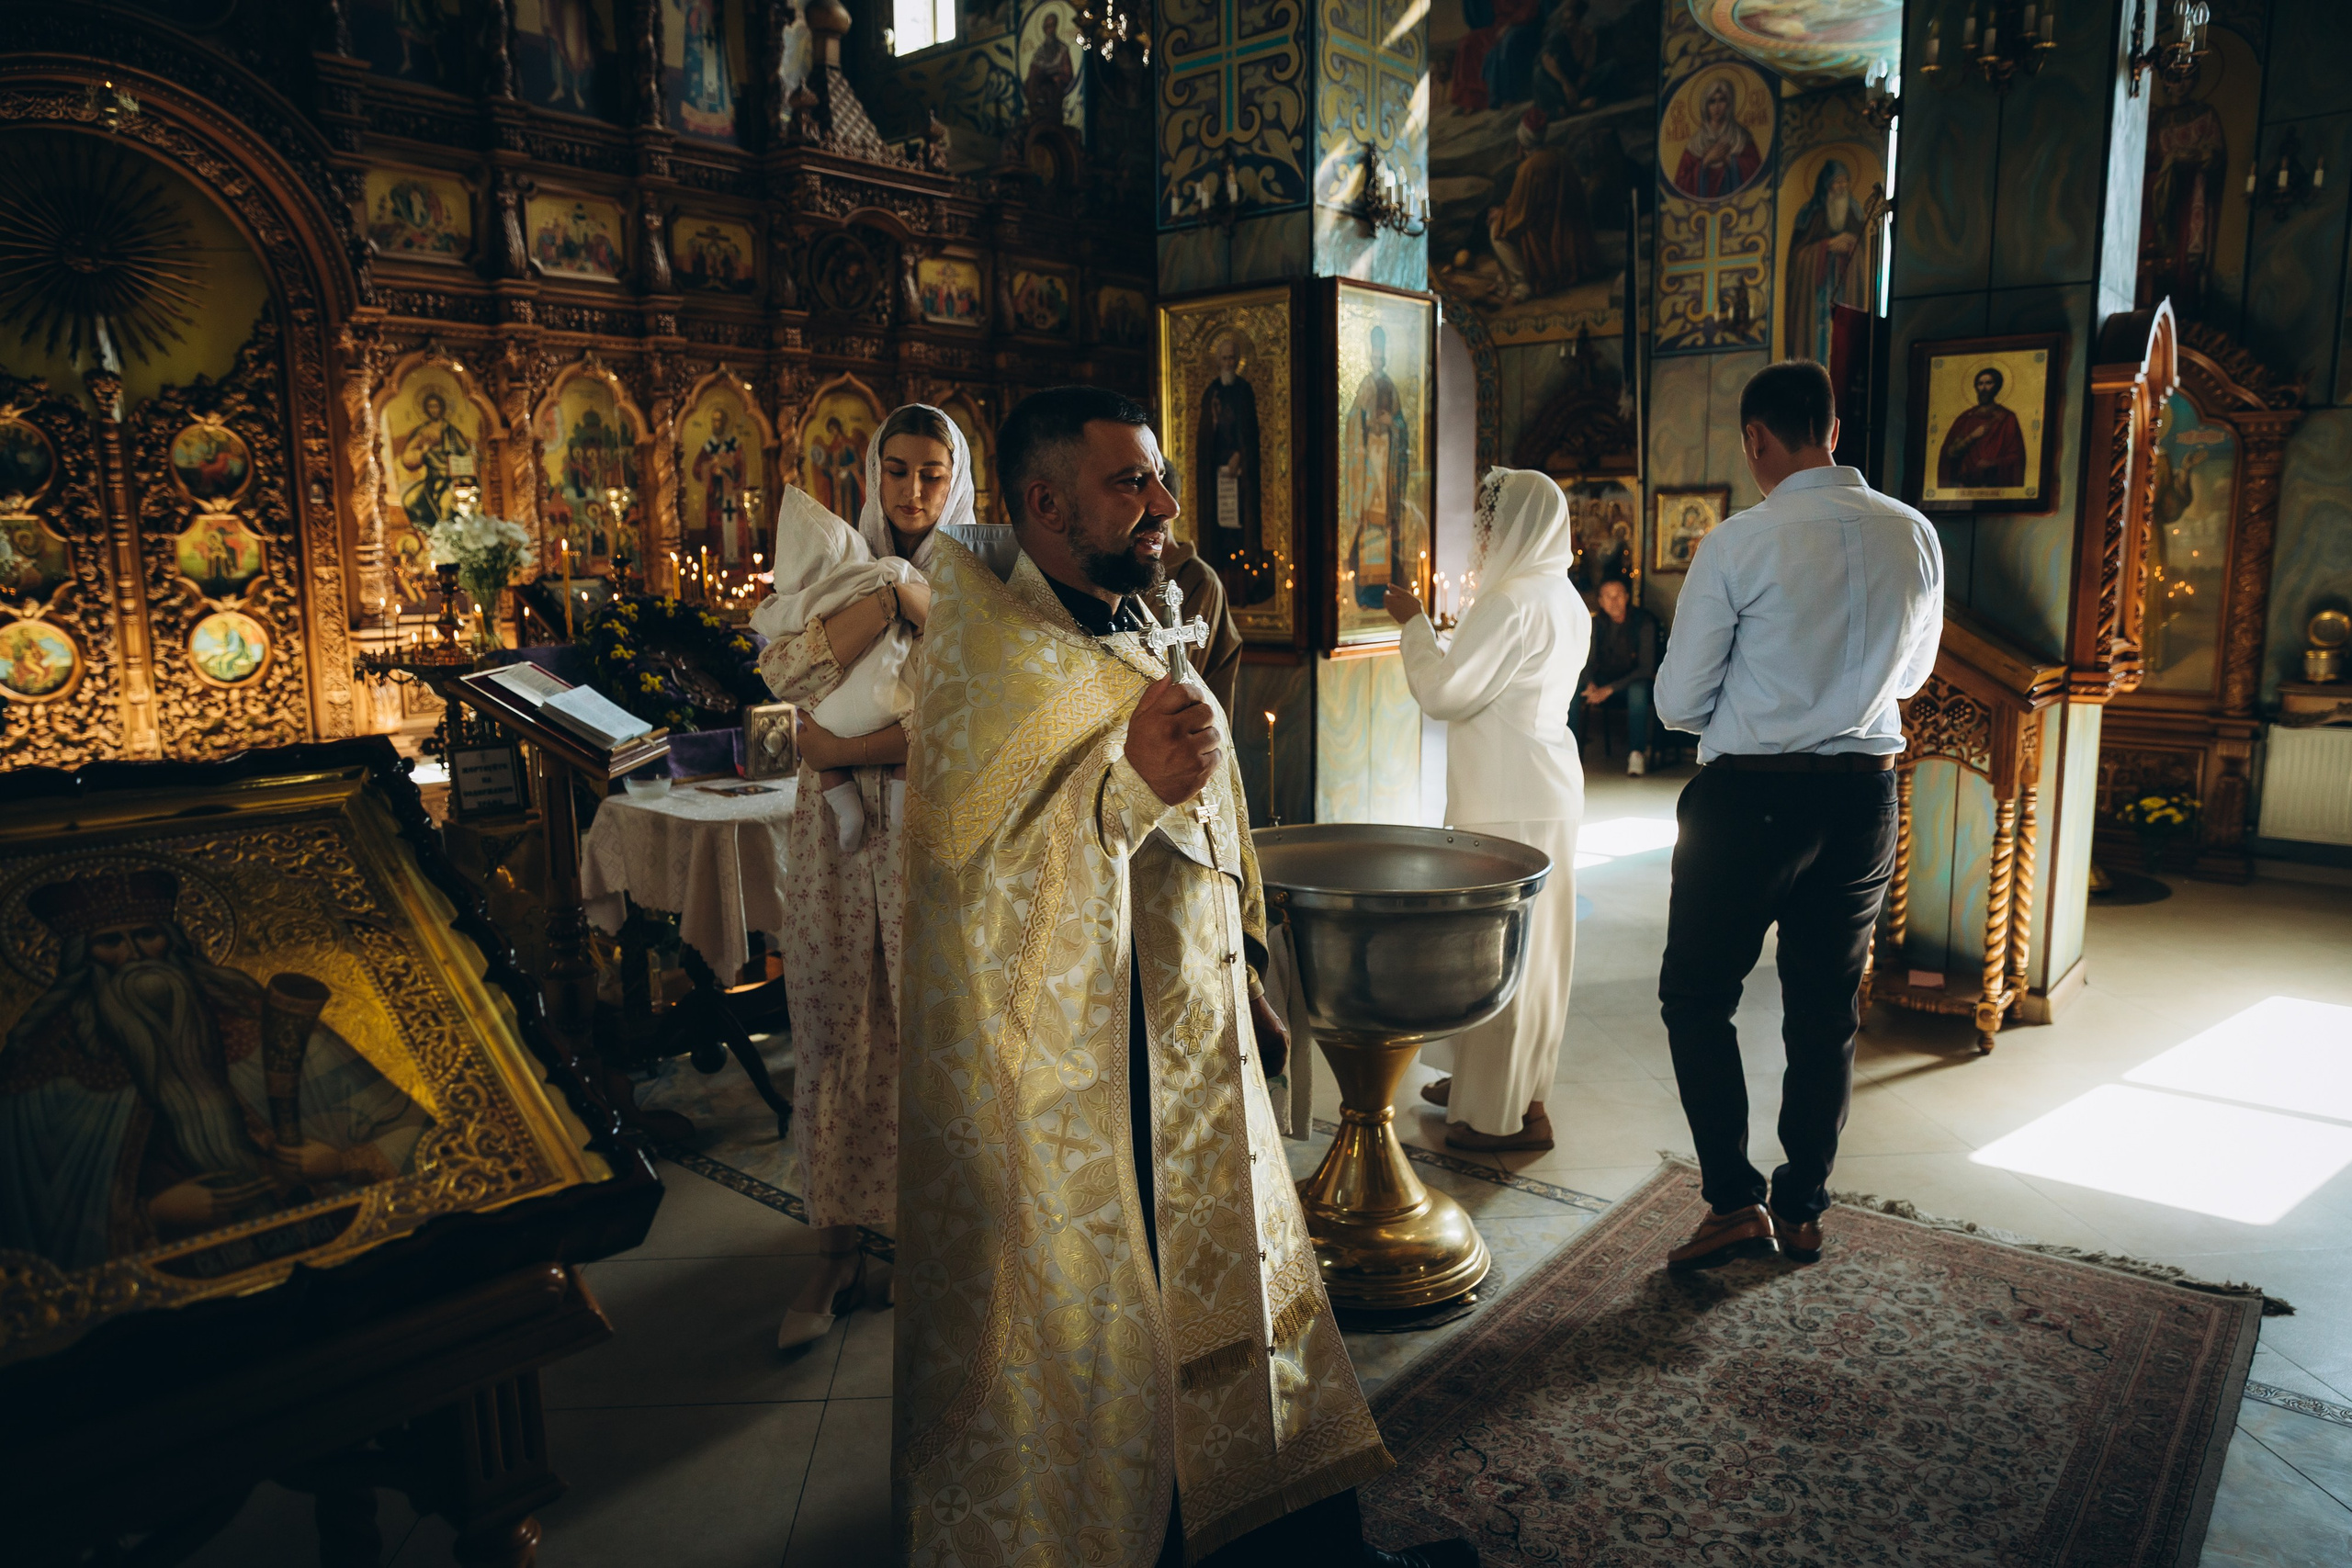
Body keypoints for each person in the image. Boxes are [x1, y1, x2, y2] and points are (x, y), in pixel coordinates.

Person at [897, 386, 1474, 1568]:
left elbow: (1217, 818)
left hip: (1192, 1031)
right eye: (1131, 484)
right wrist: (1127, 792)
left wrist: (1244, 968)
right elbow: (977, 877)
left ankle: (1285, 1537)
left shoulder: (1139, 615)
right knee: (1124, 1314)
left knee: (1245, 1296)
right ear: (1045, 502)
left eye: (1158, 477)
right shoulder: (982, 658)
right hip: (1082, 1074)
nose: (1165, 503)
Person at [1652, 360, 1942, 1272]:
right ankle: (1803, 1209)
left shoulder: (1739, 543)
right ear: (1833, 430)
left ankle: (1734, 1203)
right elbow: (1912, 677)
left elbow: (1675, 701)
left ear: (1754, 439)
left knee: (1697, 997)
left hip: (1750, 798)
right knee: (1825, 1007)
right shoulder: (1913, 533)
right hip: (1863, 795)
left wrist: (1760, 703)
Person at [754, 403, 967, 1351]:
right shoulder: (830, 571)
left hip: (935, 833)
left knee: (935, 1037)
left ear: (957, 479)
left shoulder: (983, 578)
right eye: (896, 471)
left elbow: (971, 716)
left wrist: (845, 744)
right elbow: (784, 681)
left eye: (931, 473)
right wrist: (883, 600)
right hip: (836, 850)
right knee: (836, 1027)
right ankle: (832, 1251)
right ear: (871, 476)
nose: (913, 492)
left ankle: (936, 1248)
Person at [0, 868, 432, 1269]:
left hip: (334, 1247)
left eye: (146, 935)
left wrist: (341, 1162)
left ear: (171, 940)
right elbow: (29, 1222)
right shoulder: (47, 1067)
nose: (133, 955)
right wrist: (148, 1214)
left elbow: (419, 1134)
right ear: (82, 958)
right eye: (110, 942)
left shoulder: (255, 1022)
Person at [1386, 468, 1588, 1154]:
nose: (1484, 534)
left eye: (1492, 522)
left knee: (1498, 953)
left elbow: (1445, 694)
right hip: (1543, 788)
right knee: (1537, 952)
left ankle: (1499, 1114)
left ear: (1519, 526)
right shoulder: (1563, 597)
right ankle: (1503, 1086)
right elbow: (1490, 683)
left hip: (1508, 800)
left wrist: (1411, 623)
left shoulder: (1508, 602)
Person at [1568, 578, 1658, 774]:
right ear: (1600, 601)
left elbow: (1645, 668)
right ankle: (1569, 753)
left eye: (1618, 595)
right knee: (1573, 687)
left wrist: (1608, 690)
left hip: (1633, 682)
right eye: (1608, 596)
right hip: (1602, 680)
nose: (1613, 601)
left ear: (1627, 597)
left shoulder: (1644, 622)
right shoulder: (1595, 623)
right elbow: (1586, 660)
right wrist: (1590, 683)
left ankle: (1637, 754)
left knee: (1638, 690)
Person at [1936, 367, 2029, 491]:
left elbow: (2016, 456)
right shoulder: (1966, 418)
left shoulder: (2007, 418)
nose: (1984, 388)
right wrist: (1972, 436)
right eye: (1980, 384)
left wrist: (1993, 463)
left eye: (1988, 383)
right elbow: (1950, 453)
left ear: (1997, 386)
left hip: (1994, 483)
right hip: (1965, 484)